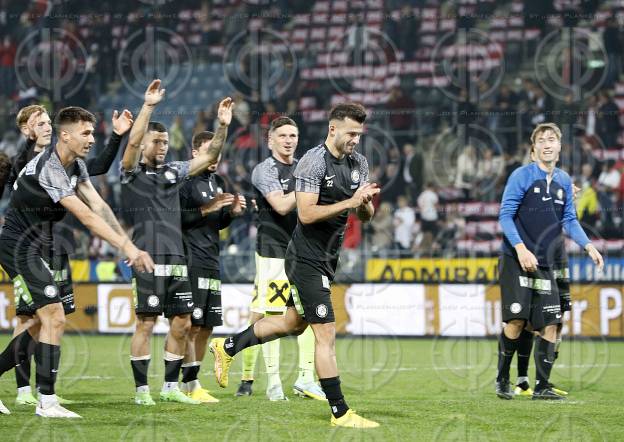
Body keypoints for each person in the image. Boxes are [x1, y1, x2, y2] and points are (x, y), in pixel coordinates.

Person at [208, 103, 381, 428]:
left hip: (328, 257)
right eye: (351, 133)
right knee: (325, 334)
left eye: (359, 134)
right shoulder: (314, 162)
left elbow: (362, 215)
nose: (356, 140)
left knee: (291, 323)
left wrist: (364, 205)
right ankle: (340, 412)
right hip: (304, 258)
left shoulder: (359, 162)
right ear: (333, 129)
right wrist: (348, 202)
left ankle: (228, 345)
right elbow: (305, 214)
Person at [0, 106, 154, 417]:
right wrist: (127, 249)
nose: (91, 139)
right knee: (54, 317)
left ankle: (43, 397)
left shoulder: (76, 165)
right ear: (65, 135)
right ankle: (47, 401)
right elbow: (84, 215)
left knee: (34, 325)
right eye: (86, 133)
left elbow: (98, 205)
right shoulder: (50, 167)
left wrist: (129, 244)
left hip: (42, 246)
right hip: (18, 245)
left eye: (92, 133)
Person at [121, 79, 233, 406]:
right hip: (148, 259)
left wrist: (222, 126)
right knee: (145, 323)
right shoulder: (132, 172)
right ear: (143, 145)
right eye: (156, 141)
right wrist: (149, 106)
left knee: (183, 323)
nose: (163, 147)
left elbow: (210, 153)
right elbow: (129, 146)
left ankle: (171, 388)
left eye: (166, 141)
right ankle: (142, 391)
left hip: (178, 258)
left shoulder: (174, 172)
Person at [495, 123, 604, 400]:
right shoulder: (521, 176)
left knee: (552, 322)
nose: (547, 143)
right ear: (534, 150)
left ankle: (542, 386)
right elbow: (505, 215)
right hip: (516, 258)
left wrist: (589, 246)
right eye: (541, 140)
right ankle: (503, 379)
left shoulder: (565, 181)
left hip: (546, 263)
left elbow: (569, 219)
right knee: (517, 321)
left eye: (552, 139)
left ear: (559, 147)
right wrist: (520, 249)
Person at [235, 116, 325, 401]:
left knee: (310, 314)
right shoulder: (265, 170)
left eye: (293, 135)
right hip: (273, 252)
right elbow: (281, 205)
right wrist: (310, 186)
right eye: (283, 135)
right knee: (272, 315)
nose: (289, 140)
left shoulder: (302, 168)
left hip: (303, 251)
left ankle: (305, 378)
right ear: (270, 140)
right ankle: (273, 383)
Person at [178, 132, 244, 403]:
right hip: (190, 259)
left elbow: (214, 223)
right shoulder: (184, 182)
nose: (214, 158)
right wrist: (208, 209)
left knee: (206, 327)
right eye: (208, 151)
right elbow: (176, 219)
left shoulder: (216, 182)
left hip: (211, 260)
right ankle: (188, 384)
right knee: (191, 326)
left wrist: (230, 214)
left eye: (217, 153)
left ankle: (191, 382)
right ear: (195, 153)